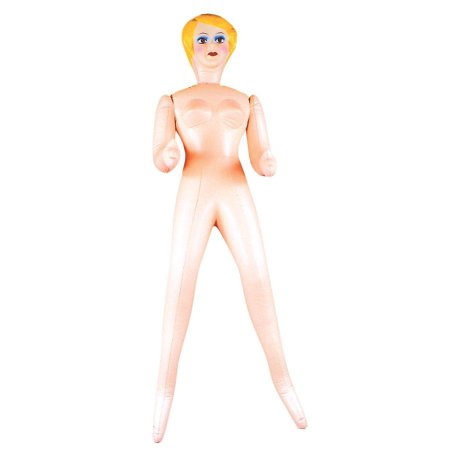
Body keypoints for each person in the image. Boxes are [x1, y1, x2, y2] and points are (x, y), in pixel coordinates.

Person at [152, 13, 307, 443]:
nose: (211, 45)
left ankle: (284, 382)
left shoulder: (247, 101)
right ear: (190, 47)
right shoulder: (172, 100)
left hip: (236, 189)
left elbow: (260, 154)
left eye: (219, 38)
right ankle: (163, 392)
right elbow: (160, 153)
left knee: (259, 279)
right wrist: (166, 154)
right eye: (202, 39)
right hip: (194, 191)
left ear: (230, 48)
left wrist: (267, 161)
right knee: (179, 284)